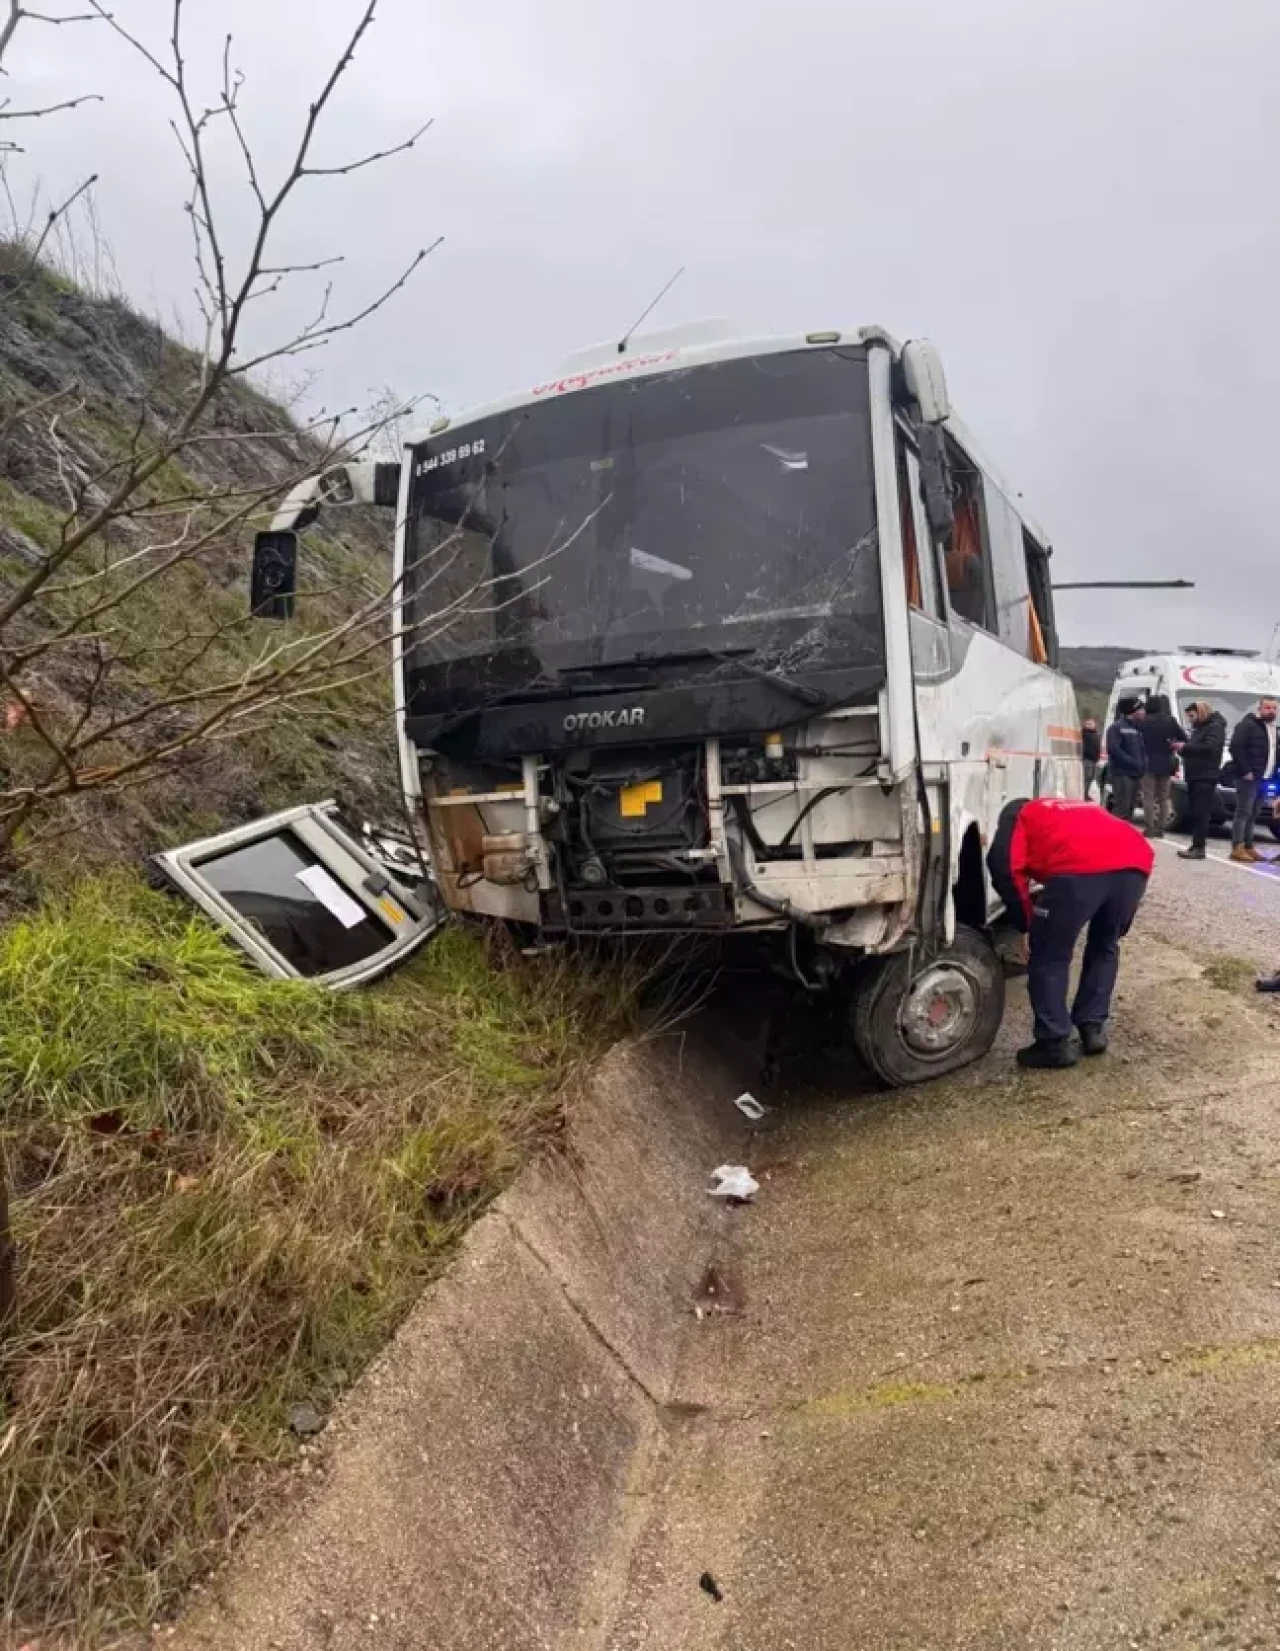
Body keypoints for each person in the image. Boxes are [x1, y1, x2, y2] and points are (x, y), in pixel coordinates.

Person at [987, 796, 1154, 1069]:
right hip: (1135, 863)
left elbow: (1003, 866)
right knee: (1105, 944)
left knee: (1049, 954)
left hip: (1078, 868)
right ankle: (1092, 1027)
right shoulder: (1070, 810)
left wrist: (1026, 923)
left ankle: (1053, 1043)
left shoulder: (1018, 814)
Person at [1227, 696, 1278, 863]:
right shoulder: (1247, 725)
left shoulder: (1272, 729)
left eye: (1274, 708)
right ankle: (1237, 847)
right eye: (1268, 708)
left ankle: (1248, 846)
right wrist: (1246, 770)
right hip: (1249, 777)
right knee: (1243, 811)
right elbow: (1236, 747)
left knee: (1254, 813)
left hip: (1265, 777)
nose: (1271, 711)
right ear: (1259, 709)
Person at [1176, 701, 1227, 860]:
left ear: (1201, 712)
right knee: (1196, 811)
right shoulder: (1199, 728)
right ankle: (1196, 844)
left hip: (1205, 775)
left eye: (1192, 716)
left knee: (1201, 812)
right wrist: (1180, 749)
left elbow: (1210, 749)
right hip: (1194, 775)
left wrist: (1185, 748)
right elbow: (1195, 749)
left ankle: (1199, 847)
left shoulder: (1215, 728)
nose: (1190, 720)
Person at [1137, 693, 1186, 838]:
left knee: (1148, 797)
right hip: (1166, 763)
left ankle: (1149, 828)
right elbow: (1183, 738)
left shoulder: (1142, 722)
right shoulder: (1170, 721)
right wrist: (1170, 744)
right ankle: (1161, 828)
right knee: (1164, 798)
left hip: (1147, 762)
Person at [1105, 698, 1146, 821]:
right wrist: (1133, 762)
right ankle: (1113, 832)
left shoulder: (1139, 728)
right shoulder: (1116, 728)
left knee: (1130, 809)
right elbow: (1114, 750)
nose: (1144, 712)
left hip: (1136, 774)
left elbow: (1142, 750)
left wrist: (1144, 764)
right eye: (1141, 709)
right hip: (1122, 774)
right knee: (1122, 808)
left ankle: (1124, 832)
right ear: (1132, 711)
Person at [1081, 718, 1102, 799]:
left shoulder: (1095, 734)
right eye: (1088, 723)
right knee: (1086, 777)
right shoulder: (1084, 733)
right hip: (1087, 759)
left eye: (1091, 723)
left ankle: (1086, 794)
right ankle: (1083, 794)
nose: (1090, 725)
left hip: (1094, 760)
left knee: (1091, 778)